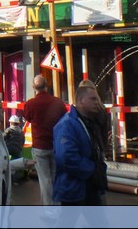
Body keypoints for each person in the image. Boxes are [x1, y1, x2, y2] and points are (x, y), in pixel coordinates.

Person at [52, 84, 107, 206]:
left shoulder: (91, 122)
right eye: (93, 99)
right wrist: (91, 170)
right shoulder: (67, 124)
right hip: (74, 190)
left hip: (91, 188)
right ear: (81, 101)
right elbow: (66, 157)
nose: (97, 102)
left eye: (97, 99)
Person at [22, 75, 66, 206]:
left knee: (45, 180)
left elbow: (27, 118)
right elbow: (65, 120)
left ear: (33, 87)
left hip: (40, 146)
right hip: (56, 145)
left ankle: (49, 209)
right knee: (56, 177)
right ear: (47, 85)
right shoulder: (58, 103)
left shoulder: (30, 104)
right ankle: (58, 206)